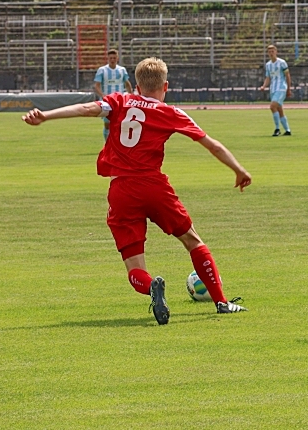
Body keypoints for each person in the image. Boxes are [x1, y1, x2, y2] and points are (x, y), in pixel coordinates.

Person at [23, 57, 251, 325]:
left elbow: (86, 108)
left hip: (121, 189)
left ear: (137, 85)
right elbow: (212, 145)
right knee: (192, 240)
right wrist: (239, 170)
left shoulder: (119, 101)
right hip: (154, 186)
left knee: (134, 267)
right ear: (165, 86)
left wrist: (45, 116)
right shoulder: (171, 112)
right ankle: (222, 303)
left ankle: (152, 285)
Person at [93, 49, 133, 140]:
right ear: (108, 58)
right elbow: (97, 85)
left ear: (117, 58)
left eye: (114, 58)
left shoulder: (122, 70)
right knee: (107, 124)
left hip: (120, 101)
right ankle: (107, 144)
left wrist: (131, 95)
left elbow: (127, 83)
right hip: (107, 102)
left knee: (120, 124)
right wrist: (103, 95)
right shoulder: (102, 70)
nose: (112, 60)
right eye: (110, 58)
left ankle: (118, 145)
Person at [259, 44, 292, 136]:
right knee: (279, 109)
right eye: (269, 52)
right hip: (273, 89)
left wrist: (289, 89)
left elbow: (287, 76)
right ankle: (288, 130)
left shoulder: (282, 62)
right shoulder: (268, 65)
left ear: (276, 52)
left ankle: (277, 129)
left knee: (272, 106)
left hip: (281, 88)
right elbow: (268, 77)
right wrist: (264, 86)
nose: (271, 53)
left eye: (273, 51)